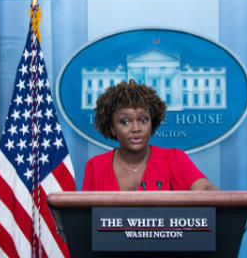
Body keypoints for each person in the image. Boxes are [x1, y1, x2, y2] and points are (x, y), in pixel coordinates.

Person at [82, 80, 218, 191]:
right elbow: (85, 218)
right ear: (112, 127)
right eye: (125, 122)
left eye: (144, 120)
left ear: (153, 123)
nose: (136, 128)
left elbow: (204, 188)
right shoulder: (96, 166)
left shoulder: (174, 159)